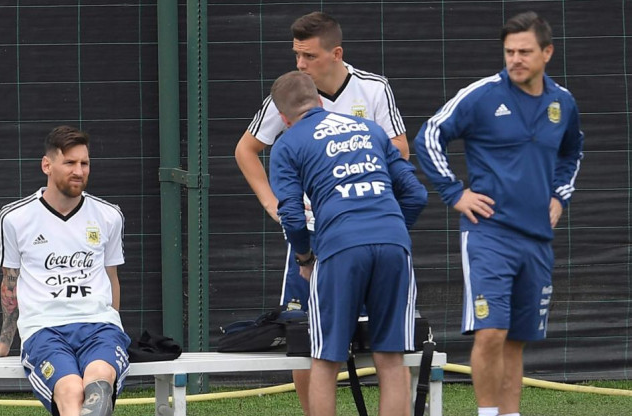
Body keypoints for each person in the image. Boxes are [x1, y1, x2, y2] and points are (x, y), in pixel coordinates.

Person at [233, 11, 410, 413]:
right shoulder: (289, 95)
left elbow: (400, 149)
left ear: (336, 53)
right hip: (310, 236)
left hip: (361, 228)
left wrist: (349, 166)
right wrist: (271, 202)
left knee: (387, 346)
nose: (300, 65)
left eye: (308, 56)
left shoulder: (374, 88)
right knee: (306, 340)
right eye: (296, 55)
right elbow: (246, 149)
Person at [413, 12, 584, 416]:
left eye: (525, 51)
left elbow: (572, 152)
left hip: (538, 239)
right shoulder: (483, 95)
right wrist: (455, 192)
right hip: (488, 234)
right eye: (509, 51)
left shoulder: (563, 102)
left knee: (515, 339)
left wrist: (560, 195)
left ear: (547, 53)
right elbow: (429, 135)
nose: (515, 59)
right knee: (491, 331)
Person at [268, 71, 427, 416]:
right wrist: (392, 230)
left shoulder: (287, 144)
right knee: (391, 357)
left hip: (340, 248)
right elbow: (416, 194)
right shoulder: (371, 130)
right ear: (320, 100)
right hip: (393, 244)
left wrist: (305, 258)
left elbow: (293, 218)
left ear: (283, 117)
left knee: (326, 359)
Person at [0, 126, 131, 416]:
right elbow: (10, 284)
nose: (79, 171)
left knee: (99, 383)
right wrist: (4, 343)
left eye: (84, 163)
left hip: (99, 326)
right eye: (70, 163)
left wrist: (112, 325)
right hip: (44, 329)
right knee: (69, 390)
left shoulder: (109, 215)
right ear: (47, 165)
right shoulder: (15, 217)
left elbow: (111, 278)